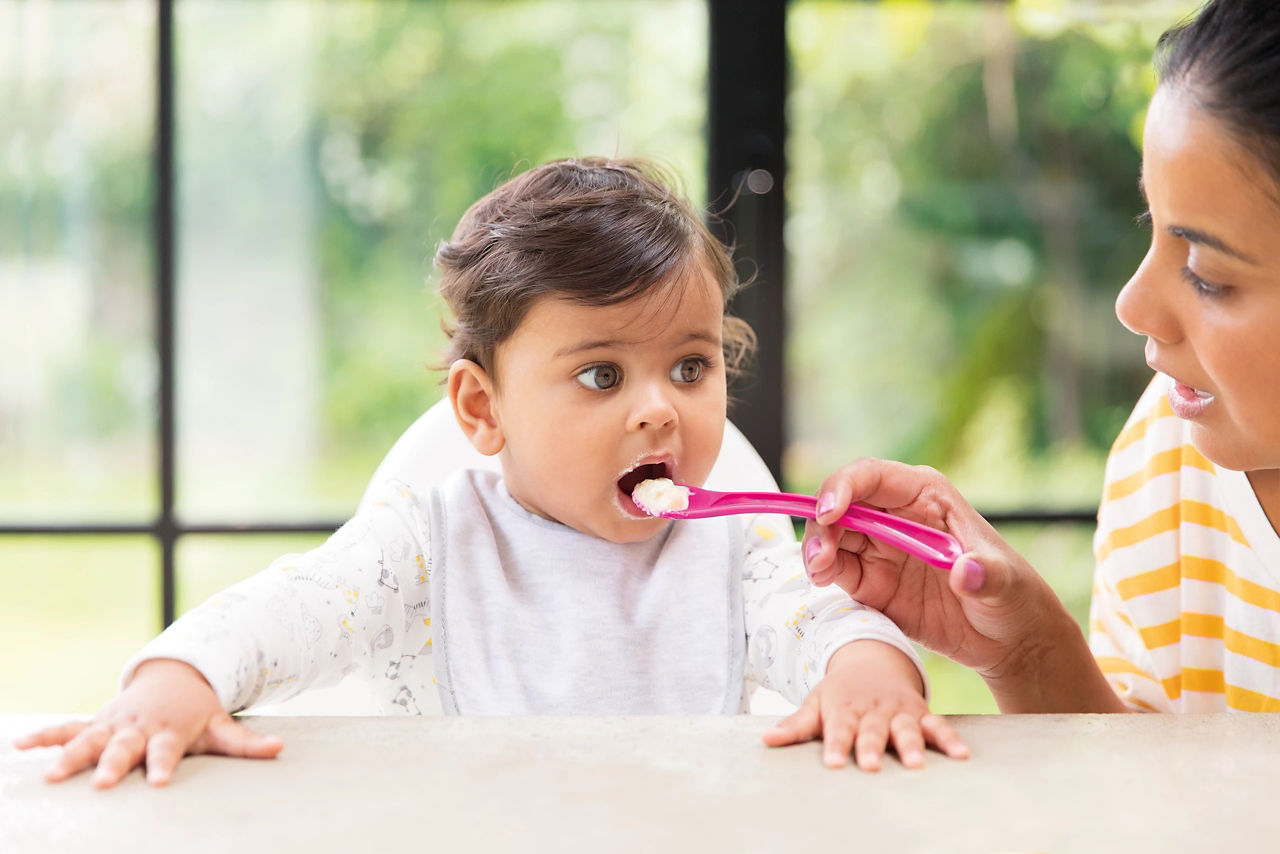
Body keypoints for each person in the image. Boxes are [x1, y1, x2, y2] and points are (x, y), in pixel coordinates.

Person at [16, 157, 967, 788]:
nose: (659, 409)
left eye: (690, 366)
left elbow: (825, 620)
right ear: (482, 409)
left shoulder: (735, 546)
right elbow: (289, 609)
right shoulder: (426, 547)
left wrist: (870, 677)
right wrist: (177, 682)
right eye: (601, 374)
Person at [790, 0, 1280, 716]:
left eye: (1207, 272)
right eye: (1154, 227)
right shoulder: (1167, 457)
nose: (1132, 306)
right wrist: (1025, 645)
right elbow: (1150, 802)